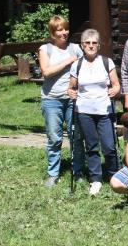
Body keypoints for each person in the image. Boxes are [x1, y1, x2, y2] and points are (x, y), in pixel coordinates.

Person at [68, 29, 121, 196]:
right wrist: (71, 93)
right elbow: (71, 87)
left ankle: (114, 176)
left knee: (109, 146)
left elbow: (116, 85)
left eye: (94, 43)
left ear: (99, 45)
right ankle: (96, 179)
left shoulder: (107, 62)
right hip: (84, 111)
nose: (91, 46)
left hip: (104, 110)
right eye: (87, 43)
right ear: (82, 45)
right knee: (91, 146)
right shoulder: (77, 65)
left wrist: (115, 91)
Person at [38, 15, 85, 187]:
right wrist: (68, 61)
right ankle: (53, 174)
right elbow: (46, 72)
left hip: (73, 99)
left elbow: (85, 69)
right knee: (54, 138)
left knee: (76, 136)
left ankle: (78, 170)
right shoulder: (45, 49)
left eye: (65, 29)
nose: (64, 32)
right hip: (52, 100)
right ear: (52, 32)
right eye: (59, 30)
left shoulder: (76, 48)